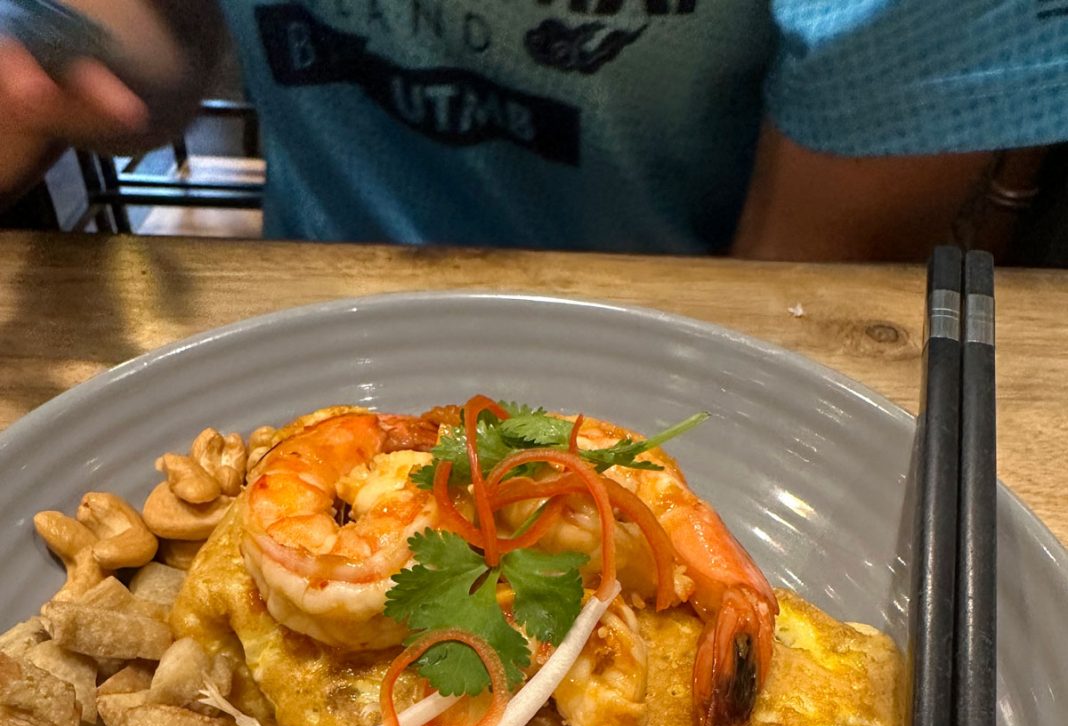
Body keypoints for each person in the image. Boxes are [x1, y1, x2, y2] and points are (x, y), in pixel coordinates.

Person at [1, 0, 1066, 260]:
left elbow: (804, 297)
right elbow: (155, 48)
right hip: (313, 312)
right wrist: (50, 60)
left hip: (675, 364)